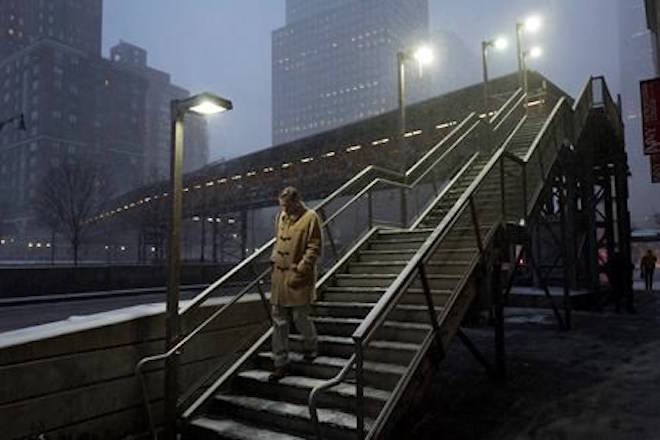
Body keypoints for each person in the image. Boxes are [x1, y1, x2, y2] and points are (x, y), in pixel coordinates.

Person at [268, 186, 323, 382]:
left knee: (300, 317)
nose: (284, 210)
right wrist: (274, 258)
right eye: (282, 206)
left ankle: (311, 346)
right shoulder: (281, 217)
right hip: (279, 278)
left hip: (298, 277)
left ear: (296, 202)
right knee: (279, 322)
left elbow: (314, 247)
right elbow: (278, 242)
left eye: (287, 206)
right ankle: (280, 363)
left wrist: (300, 270)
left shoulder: (311, 217)